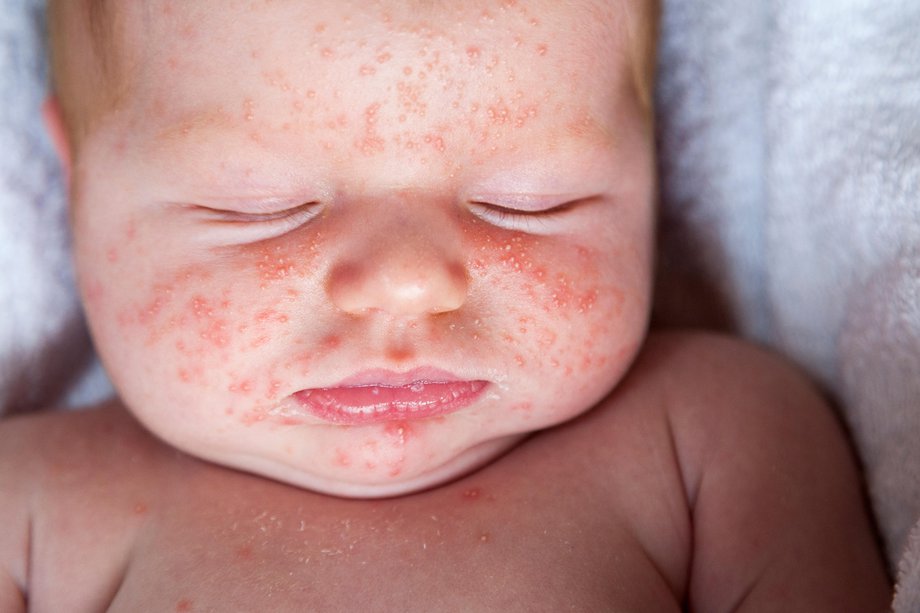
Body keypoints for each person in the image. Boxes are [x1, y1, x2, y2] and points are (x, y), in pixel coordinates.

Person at [0, 0, 890, 610]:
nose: (409, 283)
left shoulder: (714, 439)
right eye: (259, 208)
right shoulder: (31, 511)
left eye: (528, 199)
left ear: (648, 169)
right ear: (78, 185)